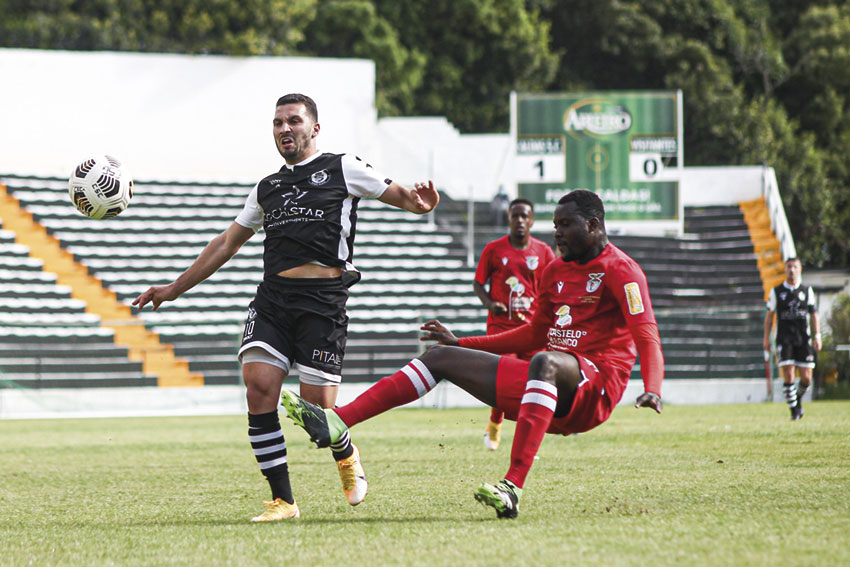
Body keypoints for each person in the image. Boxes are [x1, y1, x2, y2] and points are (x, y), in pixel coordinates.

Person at [133, 93, 439, 522]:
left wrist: (417, 200)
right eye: (277, 123)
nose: (283, 129)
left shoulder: (342, 167)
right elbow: (226, 243)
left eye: (293, 121)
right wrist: (174, 288)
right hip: (274, 300)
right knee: (258, 387)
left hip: (323, 304)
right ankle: (284, 501)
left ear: (314, 128)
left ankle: (345, 450)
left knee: (319, 411)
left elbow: (401, 194)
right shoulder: (267, 188)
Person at [280, 189, 664, 519]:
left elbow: (646, 333)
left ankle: (511, 487)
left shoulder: (622, 271)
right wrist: (459, 343)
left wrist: (653, 387)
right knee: (437, 358)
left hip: (594, 388)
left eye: (565, 224)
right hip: (547, 382)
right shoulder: (555, 271)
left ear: (594, 225)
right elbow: (533, 332)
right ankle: (338, 423)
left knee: (543, 362)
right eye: (555, 224)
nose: (556, 232)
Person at [473, 198, 555, 450]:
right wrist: (490, 303)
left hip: (532, 329)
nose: (519, 220)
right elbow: (478, 283)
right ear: (509, 219)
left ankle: (524, 437)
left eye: (524, 216)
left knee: (534, 383)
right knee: (505, 379)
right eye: (515, 216)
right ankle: (495, 422)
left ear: (531, 220)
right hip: (501, 327)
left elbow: (553, 285)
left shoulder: (543, 251)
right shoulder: (494, 250)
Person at [763, 257, 821, 420]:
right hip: (784, 338)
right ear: (785, 269)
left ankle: (797, 400)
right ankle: (794, 411)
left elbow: (814, 315)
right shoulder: (777, 292)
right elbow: (769, 317)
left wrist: (817, 335)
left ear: (800, 270)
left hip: (803, 338)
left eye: (795, 267)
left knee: (806, 378)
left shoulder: (806, 291)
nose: (792, 270)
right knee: (788, 375)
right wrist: (766, 339)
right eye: (789, 267)